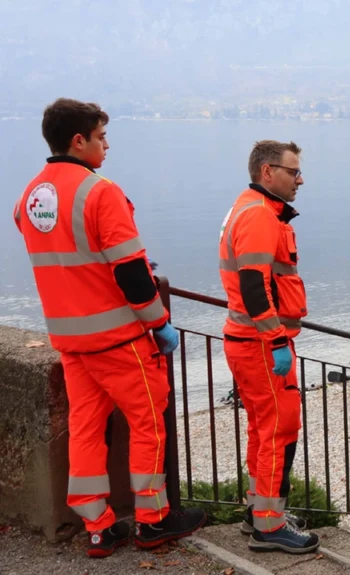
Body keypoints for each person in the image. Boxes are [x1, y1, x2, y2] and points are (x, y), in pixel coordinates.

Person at [13, 98, 206, 558]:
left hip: (70, 340)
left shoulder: (28, 197)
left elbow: (68, 260)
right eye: (101, 137)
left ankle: (97, 524)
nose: (107, 145)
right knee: (148, 423)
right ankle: (153, 519)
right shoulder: (100, 191)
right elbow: (133, 275)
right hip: (118, 338)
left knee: (85, 426)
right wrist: (159, 324)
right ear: (78, 141)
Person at [218, 140, 319, 554]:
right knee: (280, 430)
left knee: (263, 429)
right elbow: (254, 286)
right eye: (293, 171)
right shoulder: (259, 216)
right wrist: (277, 340)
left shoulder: (247, 207)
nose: (300, 179)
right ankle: (270, 525)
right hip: (261, 343)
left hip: (247, 340)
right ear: (267, 172)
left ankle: (258, 510)